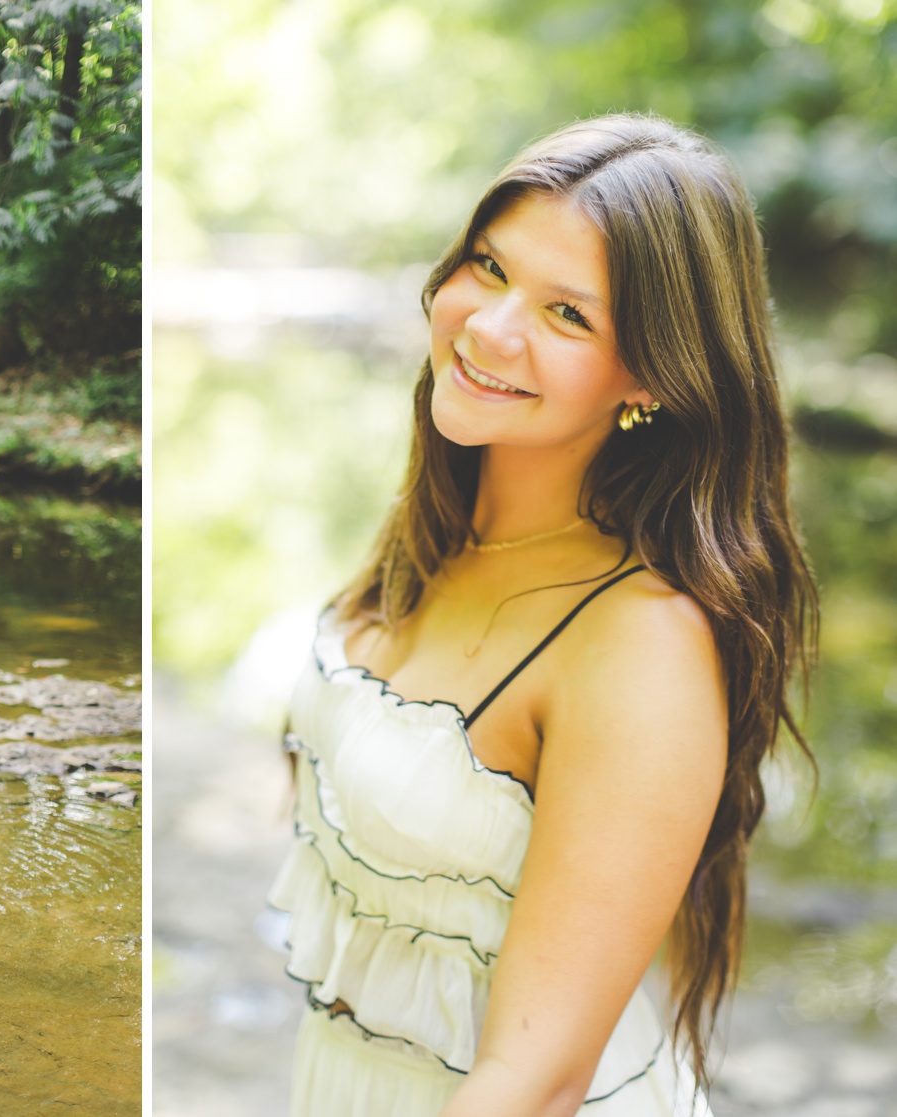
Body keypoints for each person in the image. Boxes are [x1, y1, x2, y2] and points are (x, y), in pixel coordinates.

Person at [269, 114, 818, 1115]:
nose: (489, 327)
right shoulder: (442, 533)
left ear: (651, 373)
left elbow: (537, 1079)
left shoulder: (641, 642)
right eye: (489, 265)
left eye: (568, 314)